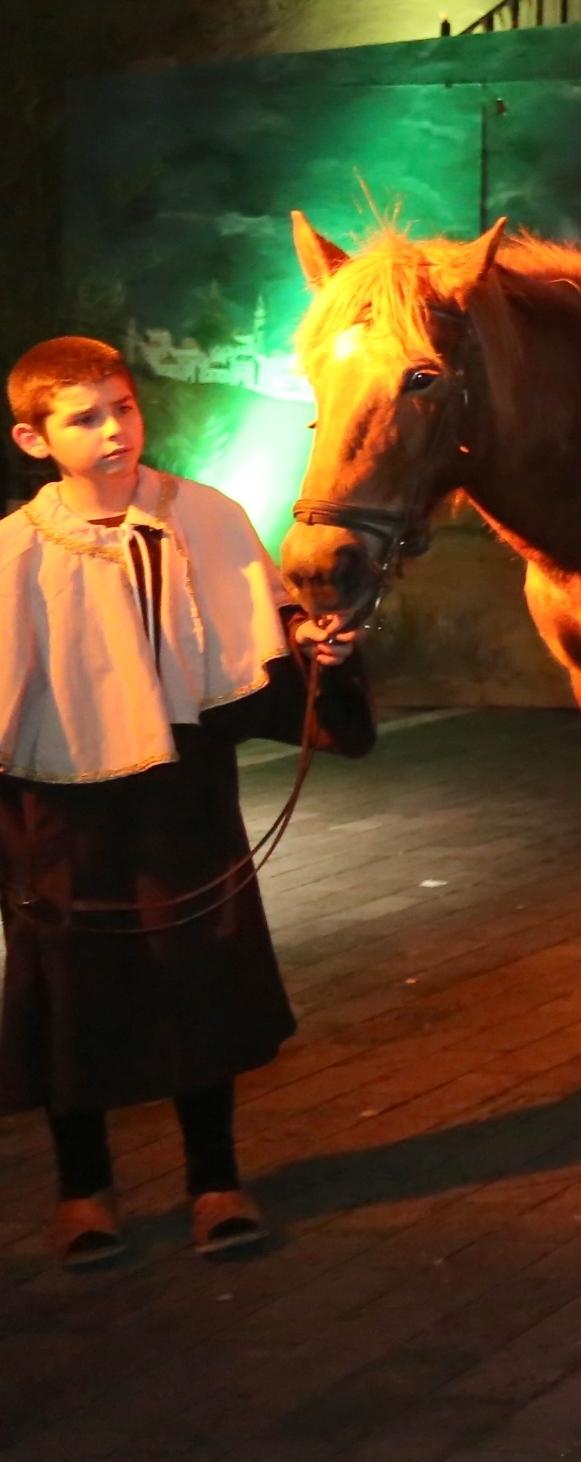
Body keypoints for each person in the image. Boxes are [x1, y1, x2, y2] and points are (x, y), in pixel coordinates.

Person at [2, 338, 374, 1267]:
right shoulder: (12, 550)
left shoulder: (203, 515)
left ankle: (216, 1180)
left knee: (196, 976)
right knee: (70, 993)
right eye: (84, 418)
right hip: (59, 803)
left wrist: (318, 655)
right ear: (32, 438)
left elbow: (266, 632)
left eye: (122, 407)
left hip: (181, 792)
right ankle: (83, 1191)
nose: (113, 430)